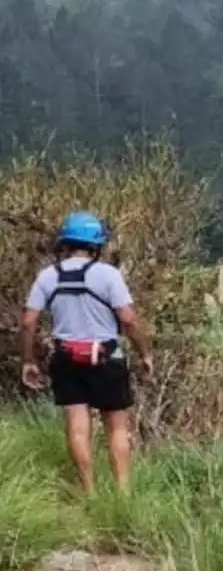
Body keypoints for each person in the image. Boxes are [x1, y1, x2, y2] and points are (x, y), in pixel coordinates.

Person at [19, 211, 153, 494]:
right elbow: (129, 320)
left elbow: (28, 321)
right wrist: (145, 353)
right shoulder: (108, 275)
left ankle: (89, 492)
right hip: (106, 356)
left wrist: (28, 360)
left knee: (77, 425)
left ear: (65, 243)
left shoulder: (47, 276)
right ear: (96, 245)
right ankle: (123, 493)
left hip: (65, 358)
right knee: (116, 425)